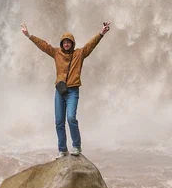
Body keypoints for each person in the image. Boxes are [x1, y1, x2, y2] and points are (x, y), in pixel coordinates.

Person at [21, 22, 111, 157]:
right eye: (64, 42)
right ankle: (62, 149)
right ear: (62, 43)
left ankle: (76, 146)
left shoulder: (79, 54)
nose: (66, 44)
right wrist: (28, 35)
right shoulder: (56, 53)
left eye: (69, 42)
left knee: (71, 118)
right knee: (58, 121)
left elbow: (90, 45)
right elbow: (43, 45)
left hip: (73, 91)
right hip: (60, 91)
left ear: (72, 44)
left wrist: (101, 33)